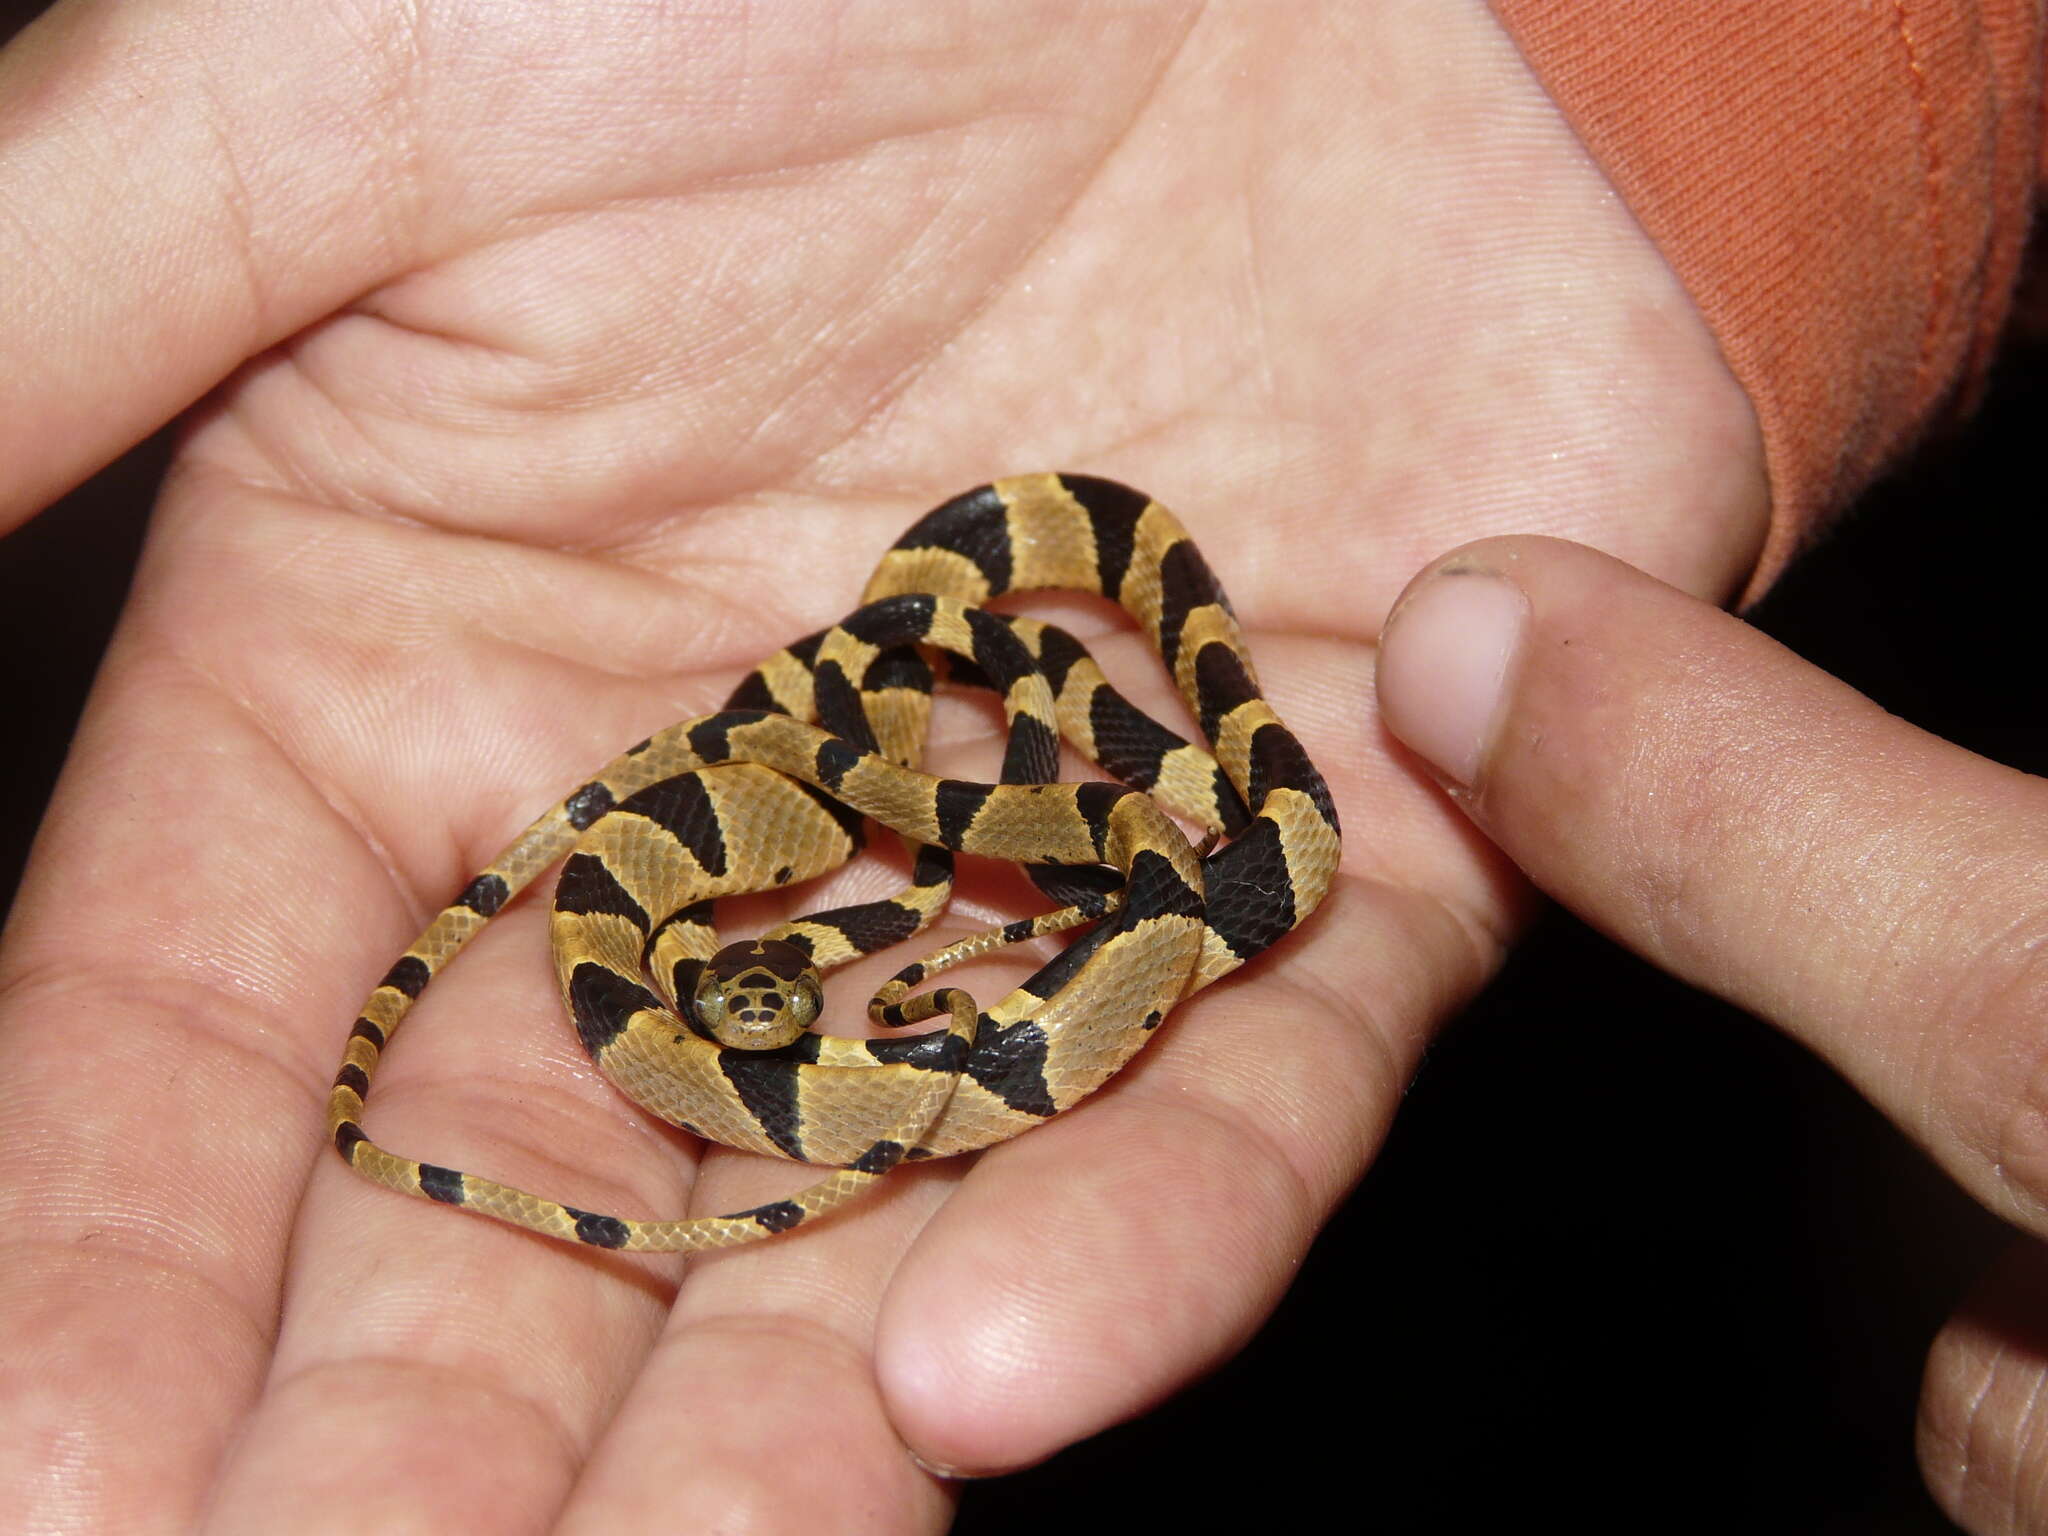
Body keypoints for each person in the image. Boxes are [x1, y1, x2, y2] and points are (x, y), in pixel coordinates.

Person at [0, 2, 2038, 1530]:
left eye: (759, 973)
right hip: (1037, 793)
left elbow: (1205, 854)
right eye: (749, 984)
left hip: (1060, 772)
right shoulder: (934, 837)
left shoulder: (1012, 810)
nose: (767, 977)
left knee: (1206, 825)